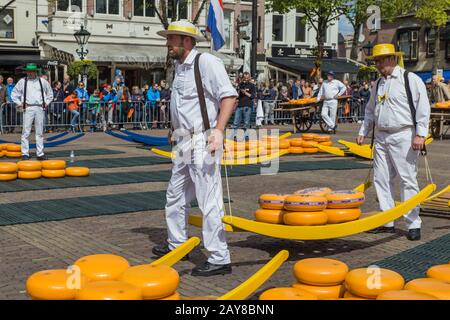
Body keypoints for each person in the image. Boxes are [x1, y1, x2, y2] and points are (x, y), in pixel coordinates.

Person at [153, 20, 237, 276]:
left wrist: (219, 131)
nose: (168, 43)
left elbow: (229, 97)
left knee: (208, 199)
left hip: (203, 139)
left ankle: (220, 257)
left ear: (187, 41)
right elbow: (182, 104)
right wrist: (173, 127)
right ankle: (177, 244)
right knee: (175, 195)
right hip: (183, 140)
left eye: (172, 39)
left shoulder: (207, 63)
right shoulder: (178, 68)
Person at [356, 43, 430, 241]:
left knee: (408, 179)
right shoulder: (378, 83)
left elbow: (423, 108)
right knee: (381, 178)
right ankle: (387, 220)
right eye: (376, 61)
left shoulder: (410, 79)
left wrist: (420, 134)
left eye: (381, 60)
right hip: (381, 136)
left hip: (404, 134)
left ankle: (413, 223)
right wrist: (364, 131)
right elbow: (370, 110)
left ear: (392, 59)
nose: (378, 65)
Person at [11, 63, 53, 160]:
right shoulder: (22, 81)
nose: (29, 73)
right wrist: (19, 103)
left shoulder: (42, 81)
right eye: (28, 71)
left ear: (35, 72)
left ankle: (40, 153)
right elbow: (14, 94)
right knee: (26, 132)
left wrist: (46, 102)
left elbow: (50, 93)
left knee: (39, 132)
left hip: (39, 108)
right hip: (28, 108)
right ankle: (25, 153)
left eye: (31, 71)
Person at [231, 71, 256, 140]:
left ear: (249, 77)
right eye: (244, 78)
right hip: (240, 105)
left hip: (247, 105)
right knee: (235, 122)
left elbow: (253, 96)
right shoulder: (240, 84)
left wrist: (245, 92)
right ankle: (234, 136)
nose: (245, 79)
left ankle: (246, 136)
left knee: (246, 122)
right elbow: (237, 95)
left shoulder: (252, 85)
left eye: (247, 78)